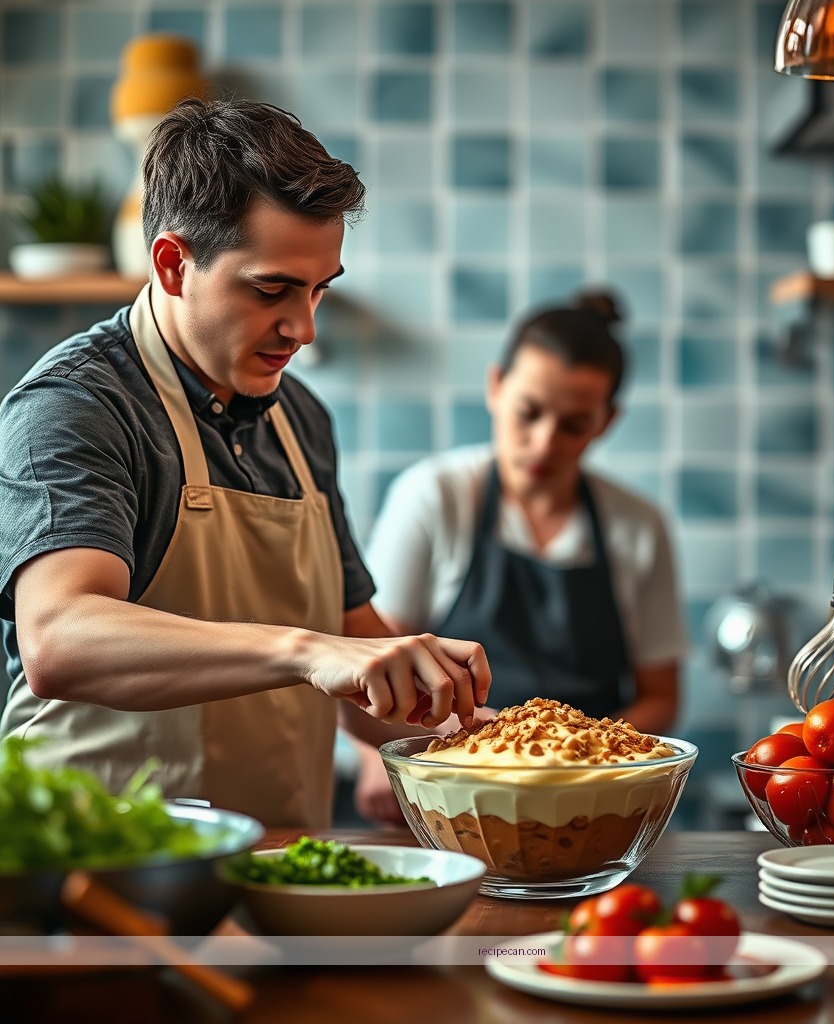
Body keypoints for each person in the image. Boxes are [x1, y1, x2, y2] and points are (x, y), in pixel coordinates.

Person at [0, 97, 490, 830]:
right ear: (173, 264)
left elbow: (358, 658)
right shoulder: (76, 405)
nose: (304, 328)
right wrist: (306, 651)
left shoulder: (302, 419)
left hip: (278, 862)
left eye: (320, 289)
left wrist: (490, 738)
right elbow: (59, 637)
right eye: (272, 289)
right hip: (93, 862)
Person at [351, 290, 686, 824]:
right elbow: (379, 660)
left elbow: (661, 696)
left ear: (606, 422)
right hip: (457, 785)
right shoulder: (434, 496)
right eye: (529, 412)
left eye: (574, 425)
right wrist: (377, 755)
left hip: (587, 796)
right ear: (496, 387)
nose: (545, 442)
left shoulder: (639, 527)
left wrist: (585, 762)